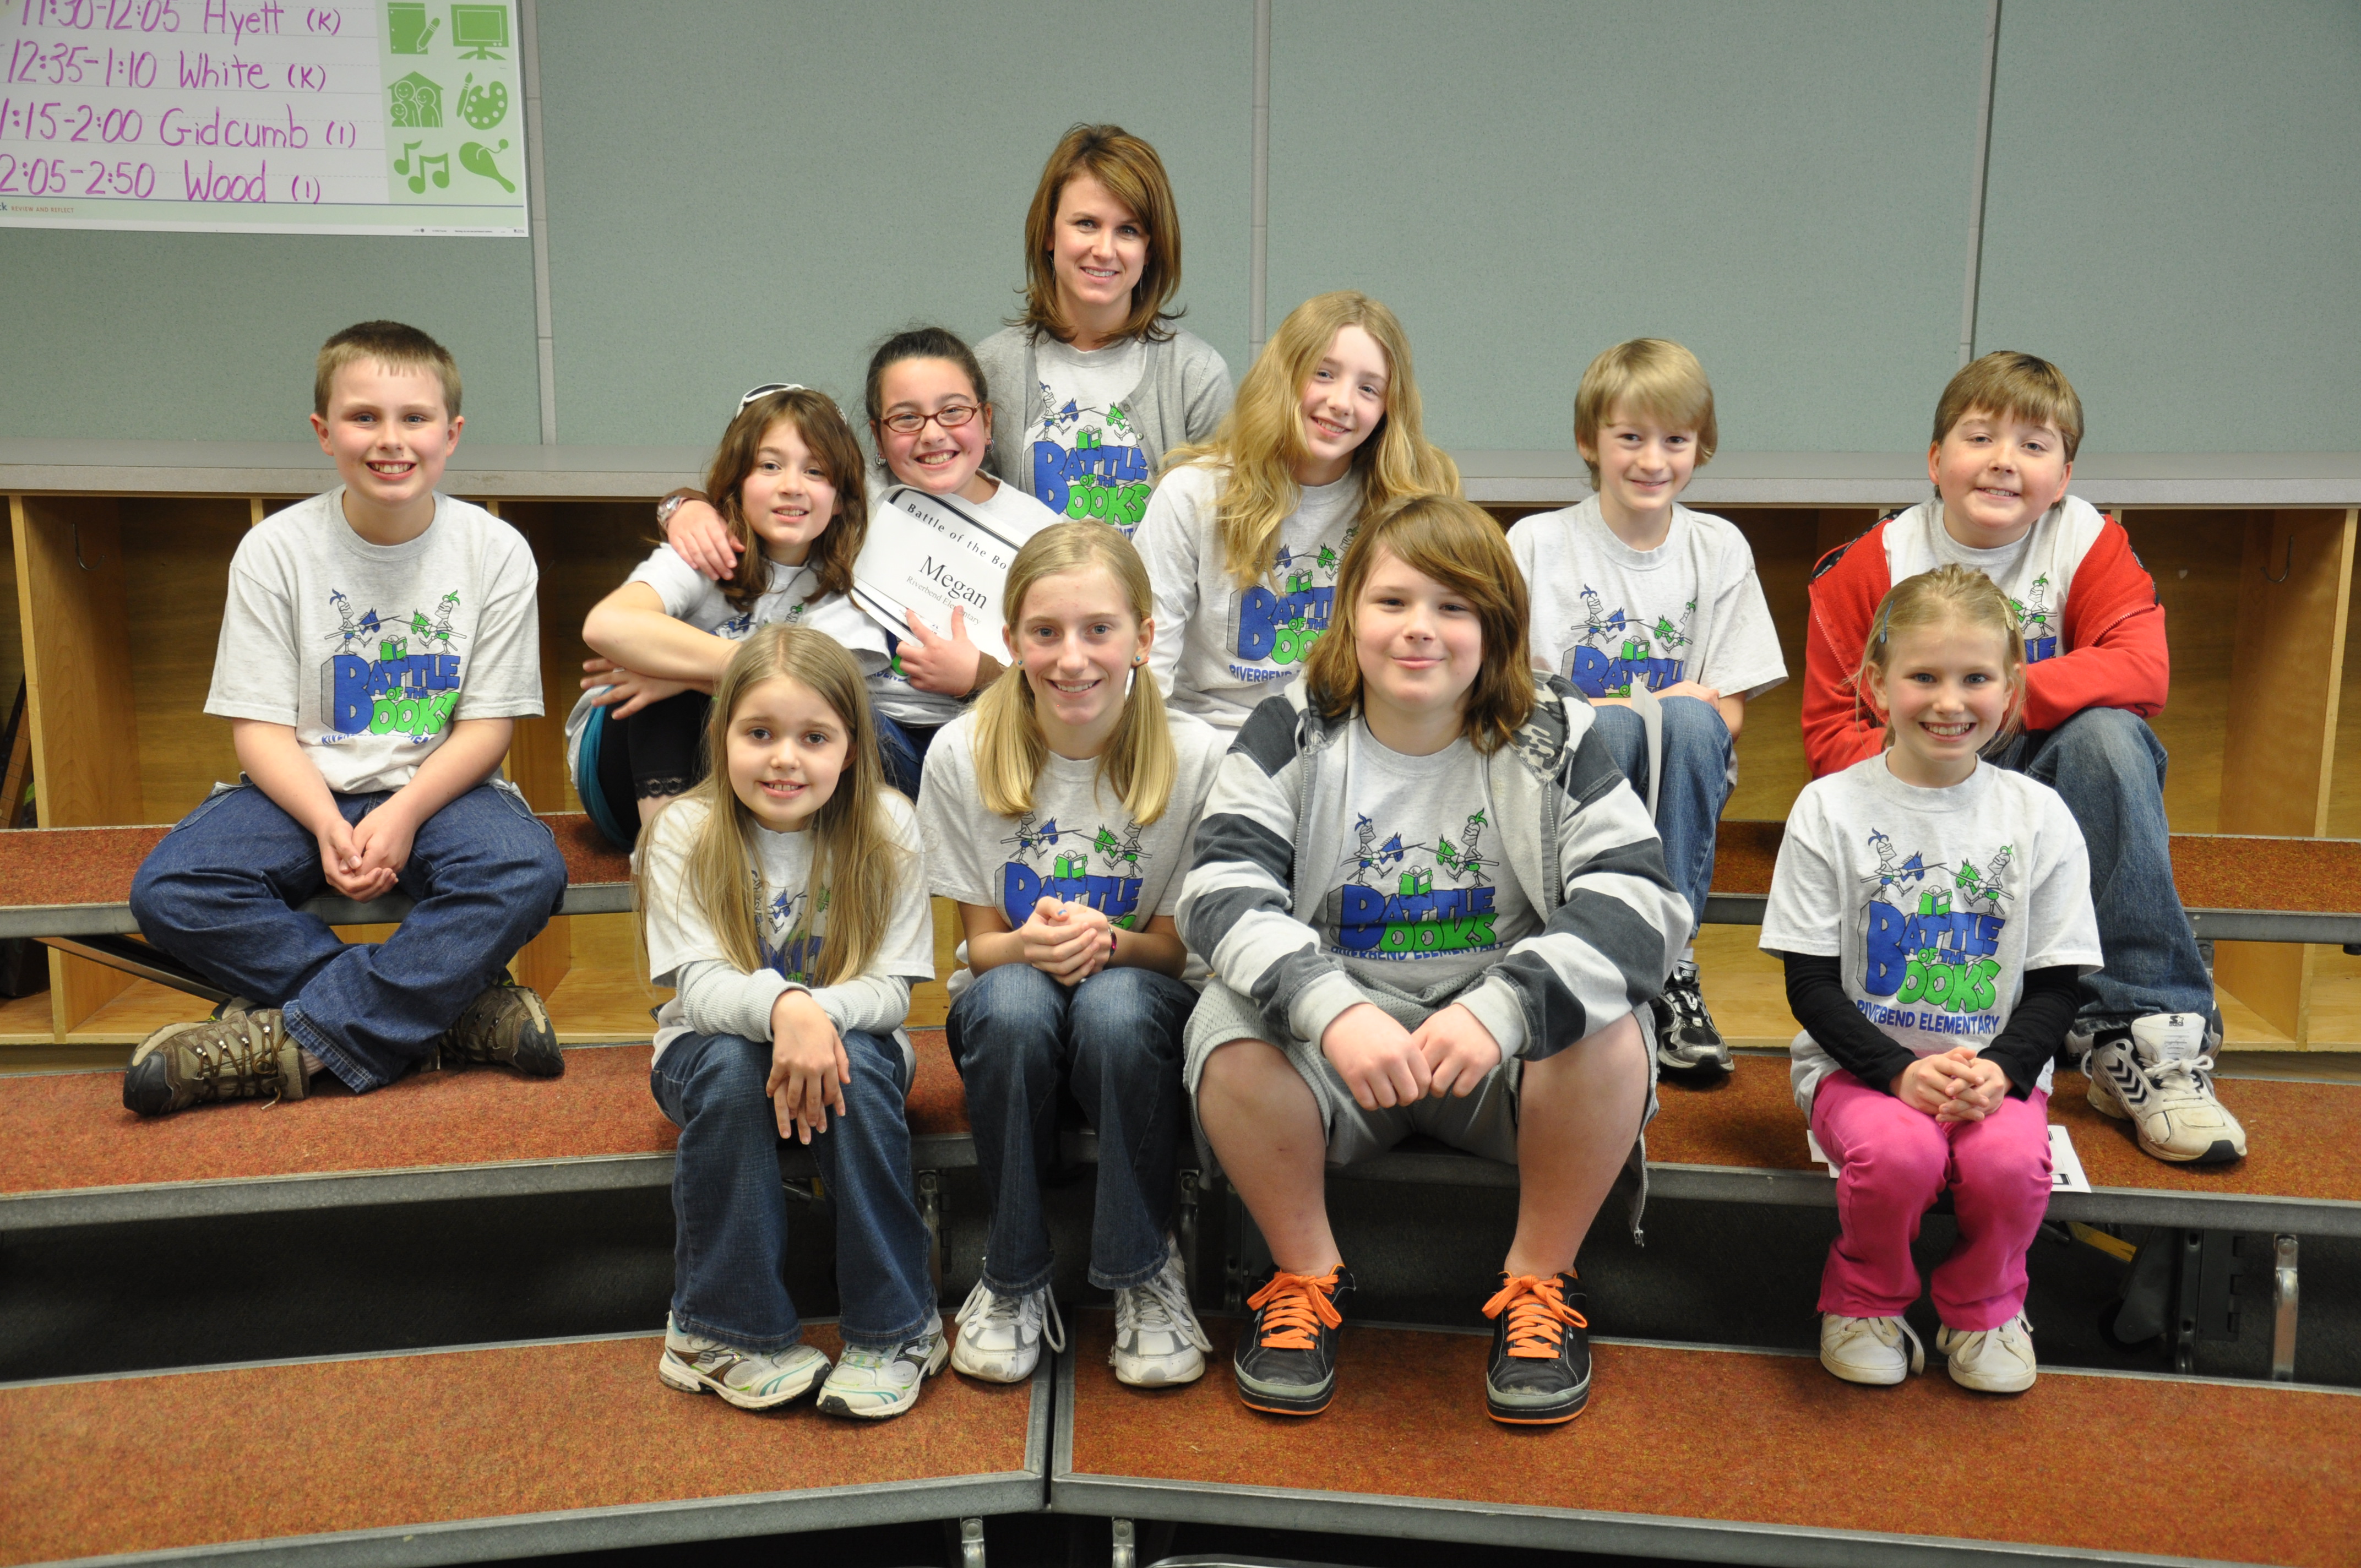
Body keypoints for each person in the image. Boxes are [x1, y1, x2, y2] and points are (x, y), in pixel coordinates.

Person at [1178, 495, 1687, 1425]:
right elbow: (1218, 888)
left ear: (1497, 627)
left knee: (1608, 1028)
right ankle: (1304, 1276)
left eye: (1454, 607)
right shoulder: (1291, 723)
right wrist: (1331, 1006)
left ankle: (1539, 1282)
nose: (1420, 629)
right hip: (1340, 1053)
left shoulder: (1554, 727)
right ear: (1349, 614)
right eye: (1392, 602)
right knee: (1225, 1025)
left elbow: (1641, 903)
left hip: (1492, 1056)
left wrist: (1503, 1008)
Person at [1802, 352, 2243, 1165]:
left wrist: (1989, 705)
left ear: (2064, 474)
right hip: (1921, 791)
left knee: (2108, 738)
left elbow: (2144, 671)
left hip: (2046, 791)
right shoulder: (1871, 565)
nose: (2004, 461)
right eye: (1979, 437)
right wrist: (1948, 755)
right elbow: (1833, 739)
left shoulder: (2087, 540)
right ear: (1935, 459)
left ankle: (2139, 1030)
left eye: (2034, 445)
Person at [124, 321, 567, 1115]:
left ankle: (297, 1037)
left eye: (415, 418)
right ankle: (446, 1015)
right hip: (300, 788)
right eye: (364, 417)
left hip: (441, 788)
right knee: (172, 889)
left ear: (451, 435)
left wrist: (405, 810)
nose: (390, 440)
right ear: (325, 432)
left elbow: (486, 729)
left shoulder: (496, 551)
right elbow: (259, 729)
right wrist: (328, 821)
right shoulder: (275, 549)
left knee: (525, 869)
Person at [1765, 564, 2102, 1393]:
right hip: (1858, 1071)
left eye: (1975, 678)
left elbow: (2058, 984)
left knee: (2008, 1165)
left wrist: (2005, 1069)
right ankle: (1865, 1299)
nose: (1950, 702)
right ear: (1877, 685)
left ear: (2011, 687)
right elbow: (1810, 984)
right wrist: (1895, 1072)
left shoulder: (2039, 816)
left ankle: (1985, 1308)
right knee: (1899, 1153)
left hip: (1995, 1074)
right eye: (1923, 676)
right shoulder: (1829, 809)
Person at [918, 522, 1227, 1389]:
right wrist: (1030, 944)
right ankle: (1012, 1273)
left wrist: (1109, 942)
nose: (1072, 657)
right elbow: (982, 949)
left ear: (1144, 638)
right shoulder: (962, 752)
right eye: (1046, 632)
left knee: (1115, 1004)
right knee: (1015, 1002)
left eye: (1099, 629)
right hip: (1011, 1000)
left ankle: (1145, 1269)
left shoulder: (1198, 757)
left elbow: (1174, 953)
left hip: (1139, 1005)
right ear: (1012, 640)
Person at [641, 625, 943, 1419]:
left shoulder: (888, 823)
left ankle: (897, 1329)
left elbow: (894, 990)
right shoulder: (684, 829)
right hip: (709, 1052)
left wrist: (816, 1015)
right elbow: (700, 989)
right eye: (759, 734)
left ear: (852, 747)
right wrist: (786, 1007)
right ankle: (715, 1332)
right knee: (731, 1065)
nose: (785, 759)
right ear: (722, 736)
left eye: (814, 737)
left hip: (854, 1047)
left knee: (861, 1065)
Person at [1507, 339, 1785, 1078]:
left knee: (1689, 721)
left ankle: (1668, 964)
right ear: (1588, 442)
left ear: (1701, 447)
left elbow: (1725, 715)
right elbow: (1516, 704)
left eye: (1675, 440)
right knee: (1619, 722)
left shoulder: (1719, 548)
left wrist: (1660, 711)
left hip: (1674, 776)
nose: (1652, 460)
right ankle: (1580, 945)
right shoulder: (1535, 542)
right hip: (1563, 775)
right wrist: (1647, 705)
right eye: (1630, 437)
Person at [659, 330, 1060, 794]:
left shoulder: (1039, 532)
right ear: (877, 436)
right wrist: (684, 507)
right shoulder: (849, 495)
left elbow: (1066, 673)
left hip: (982, 735)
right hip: (852, 726)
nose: (933, 434)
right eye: (906, 418)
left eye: (953, 411)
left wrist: (981, 675)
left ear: (986, 421)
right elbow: (750, 493)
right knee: (819, 711)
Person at [566, 384, 886, 848]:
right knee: (670, 700)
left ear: (840, 499)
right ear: (737, 481)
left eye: (816, 471)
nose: (792, 485)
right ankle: (668, 861)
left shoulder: (849, 583)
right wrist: (720, 673)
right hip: (624, 776)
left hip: (759, 786)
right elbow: (606, 626)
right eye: (770, 466)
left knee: (813, 716)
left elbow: (817, 695)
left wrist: (683, 673)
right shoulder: (704, 551)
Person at [1133, 290, 1459, 731]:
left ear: (1389, 408)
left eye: (1368, 389)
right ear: (1283, 375)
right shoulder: (1192, 494)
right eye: (1323, 374)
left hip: (1344, 741)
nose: (1342, 402)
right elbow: (1146, 668)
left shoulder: (1403, 506)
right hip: (1209, 737)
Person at [972, 123, 1233, 537]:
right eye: (1086, 224)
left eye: (1128, 230)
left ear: (1150, 250)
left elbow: (1212, 542)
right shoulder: (990, 368)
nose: (1105, 250)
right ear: (1048, 233)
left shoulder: (1196, 376)